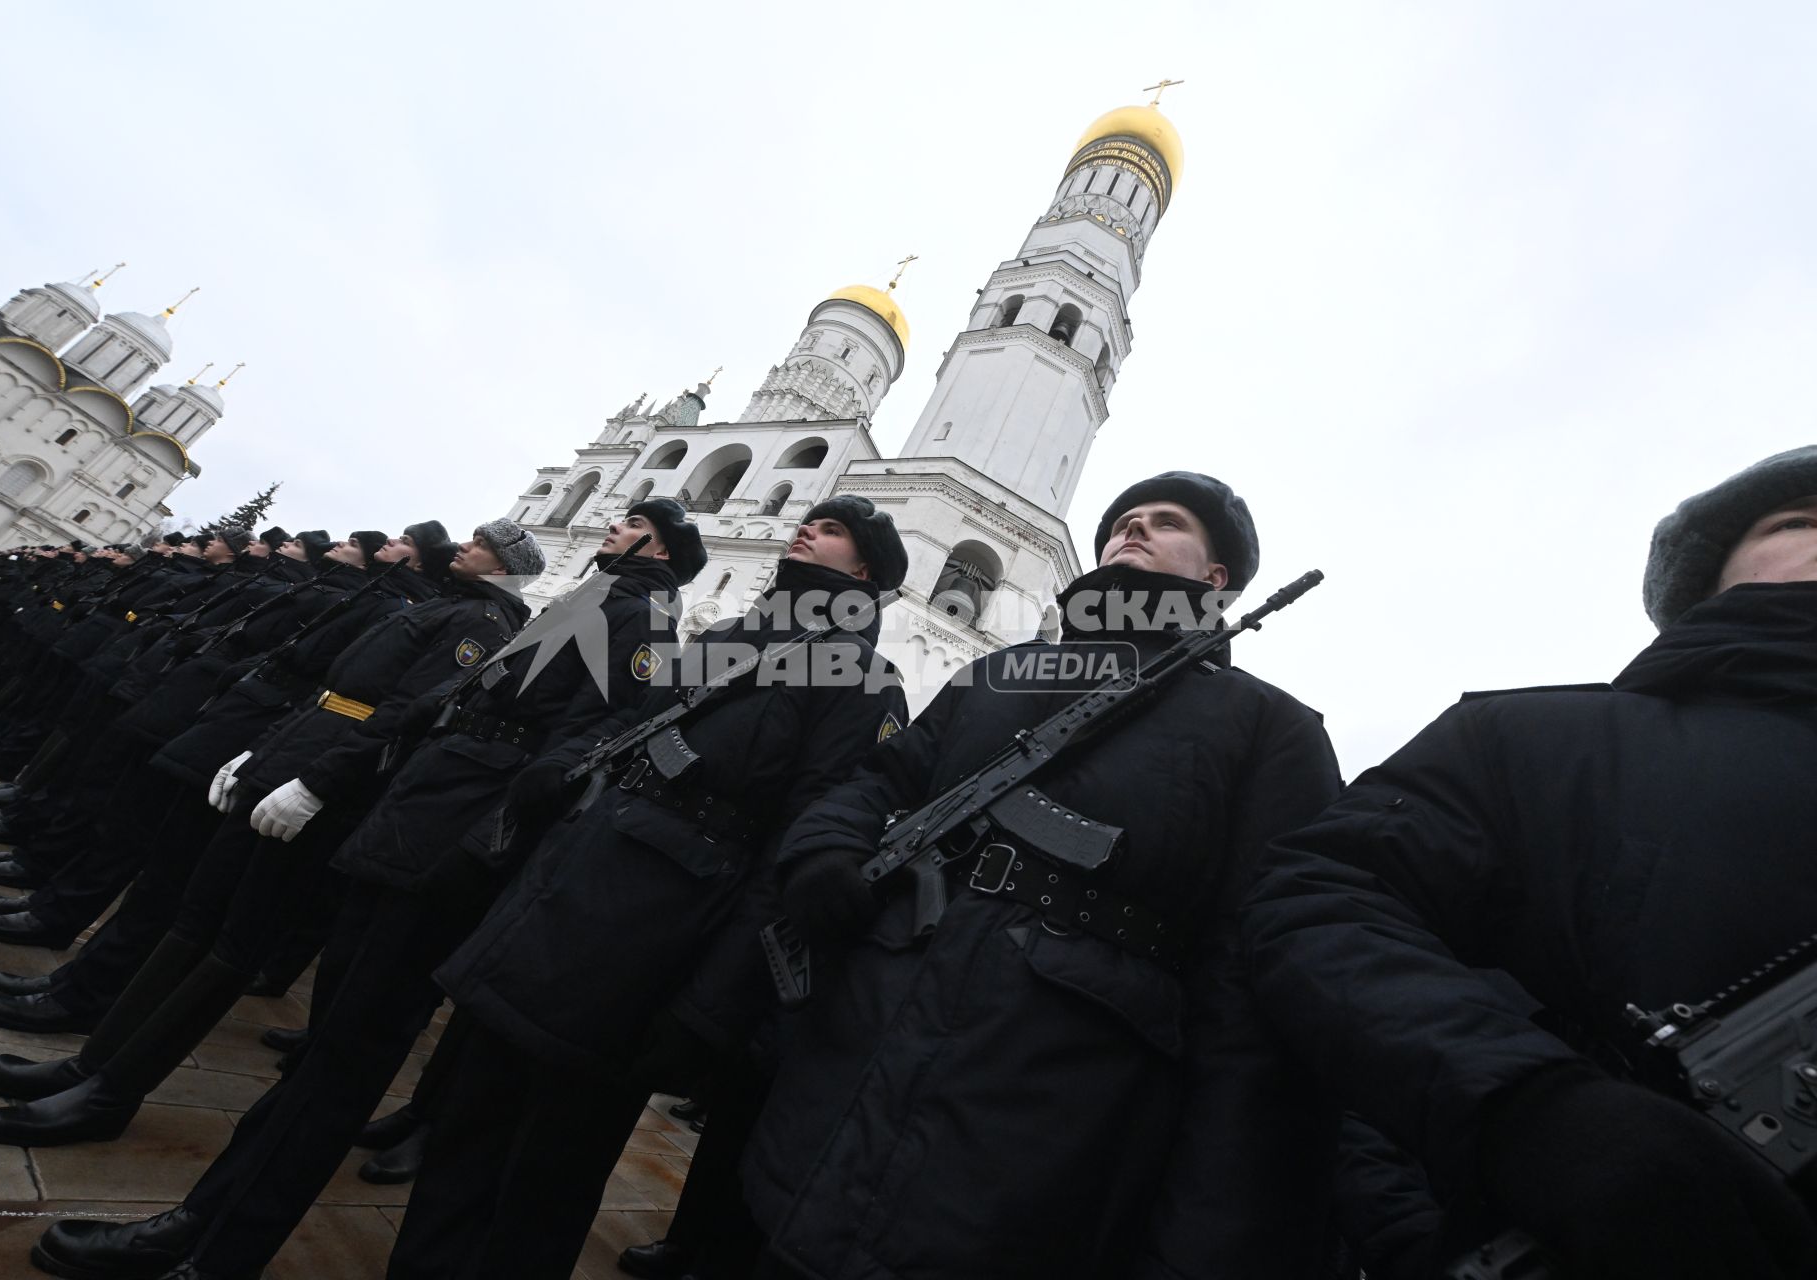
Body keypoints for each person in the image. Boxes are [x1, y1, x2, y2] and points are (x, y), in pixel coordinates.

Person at [30, 500, 705, 1280]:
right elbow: (451, 703)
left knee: (341, 1064)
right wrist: (327, 773)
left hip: (447, 847)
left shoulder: (641, 618)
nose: (610, 529)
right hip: (414, 817)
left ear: (655, 543)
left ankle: (214, 1248)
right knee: (325, 1057)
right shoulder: (592, 603)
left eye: (626, 525)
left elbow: (581, 745)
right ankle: (203, 1226)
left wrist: (481, 843)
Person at [741, 473, 1343, 1280]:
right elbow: (882, 780)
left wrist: (1203, 1233)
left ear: (1215, 579)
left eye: (1165, 524)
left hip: (1046, 1128)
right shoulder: (1001, 676)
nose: (1134, 530)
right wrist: (824, 851)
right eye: (1124, 521)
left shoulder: (1269, 728)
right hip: (857, 1058)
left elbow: (1252, 992)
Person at [1242, 445, 1817, 1279]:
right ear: (1711, 577)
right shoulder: (1537, 744)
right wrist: (1533, 1111)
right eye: (1798, 522)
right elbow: (1321, 901)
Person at [386, 496, 911, 1280]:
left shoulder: (865, 681)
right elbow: (632, 722)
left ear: (865, 570)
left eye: (834, 531)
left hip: (653, 944)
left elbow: (799, 848)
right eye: (814, 519)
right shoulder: (726, 638)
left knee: (547, 1177)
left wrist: (712, 1000)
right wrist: (558, 770)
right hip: (568, 886)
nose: (808, 527)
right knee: (467, 1129)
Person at [0, 522, 539, 1147]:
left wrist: (318, 783)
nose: (464, 546)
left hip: (325, 780)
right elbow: (332, 691)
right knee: (193, 919)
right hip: (294, 750)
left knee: (228, 948)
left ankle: (112, 1092)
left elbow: (404, 715)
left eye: (482, 545)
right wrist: (259, 753)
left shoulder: (482, 625)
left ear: (503, 568)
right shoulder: (448, 606)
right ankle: (91, 1063)